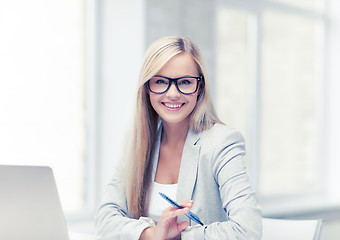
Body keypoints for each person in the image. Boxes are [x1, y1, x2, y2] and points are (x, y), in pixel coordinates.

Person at [95, 36, 262, 240]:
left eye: (184, 82)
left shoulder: (222, 142)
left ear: (199, 87)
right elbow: (104, 221)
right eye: (160, 81)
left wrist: (179, 236)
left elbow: (248, 231)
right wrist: (153, 234)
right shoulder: (137, 142)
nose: (173, 93)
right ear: (147, 88)